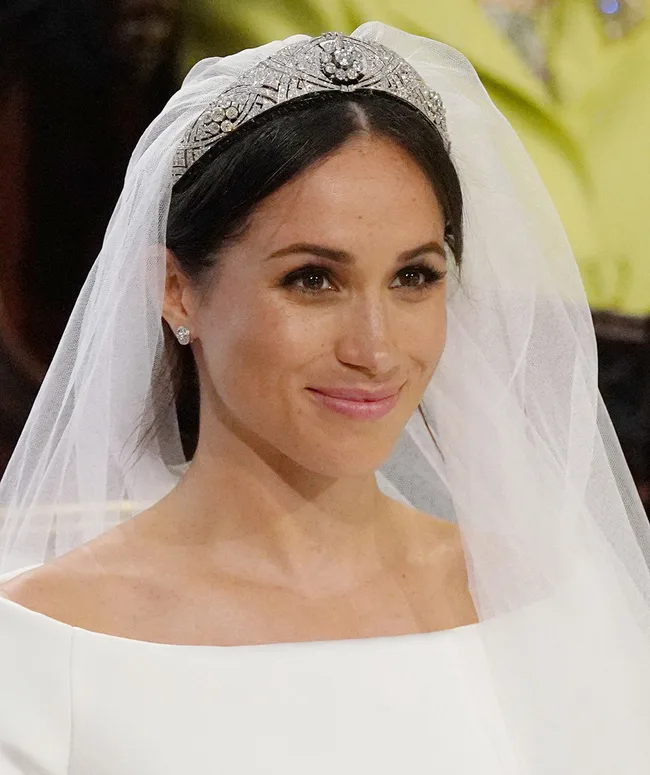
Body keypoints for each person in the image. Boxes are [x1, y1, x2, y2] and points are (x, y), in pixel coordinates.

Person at [0, 22, 650, 774]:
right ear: (176, 290)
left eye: (414, 277)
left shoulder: (549, 597)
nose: (375, 350)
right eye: (312, 279)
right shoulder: (39, 650)